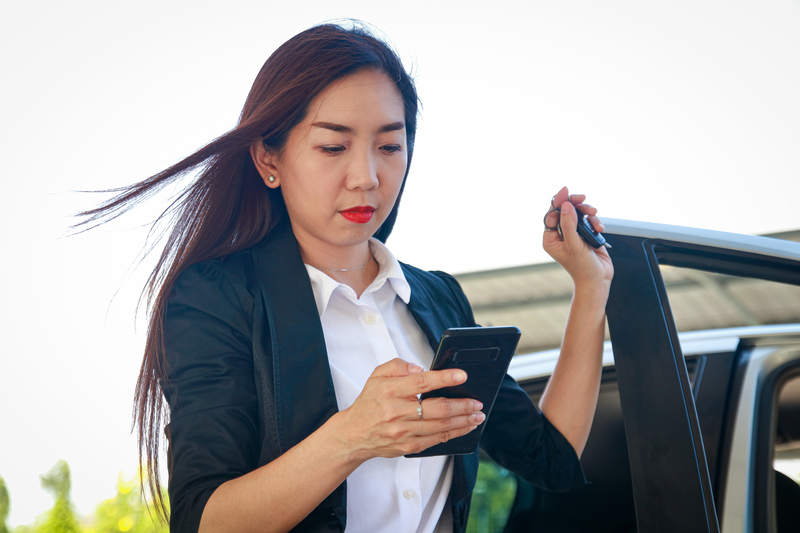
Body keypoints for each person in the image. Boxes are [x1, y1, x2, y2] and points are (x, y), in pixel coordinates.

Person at [79, 22, 613, 533]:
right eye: (333, 146)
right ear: (269, 157)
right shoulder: (216, 297)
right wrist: (352, 437)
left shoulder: (437, 298)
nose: (367, 177)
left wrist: (590, 288)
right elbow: (204, 521)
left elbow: (551, 459)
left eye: (389, 146)